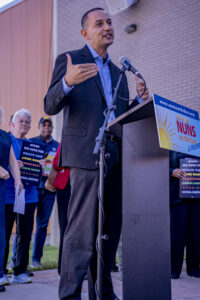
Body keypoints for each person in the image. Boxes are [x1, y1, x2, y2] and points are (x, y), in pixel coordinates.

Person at [44, 7, 149, 300]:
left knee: (108, 231)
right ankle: (70, 295)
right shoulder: (70, 60)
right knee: (79, 234)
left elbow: (120, 119)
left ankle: (102, 292)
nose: (108, 27)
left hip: (114, 161)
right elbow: (49, 106)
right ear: (85, 33)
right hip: (84, 158)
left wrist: (139, 102)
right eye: (99, 23)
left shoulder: (118, 72)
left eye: (110, 22)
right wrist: (67, 83)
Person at [4, 109, 38, 284]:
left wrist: (38, 166)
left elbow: (40, 171)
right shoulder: (5, 141)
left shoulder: (33, 146)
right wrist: (12, 165)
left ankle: (19, 272)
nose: (24, 124)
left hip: (29, 196)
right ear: (12, 124)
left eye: (27, 122)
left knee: (25, 234)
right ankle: (2, 272)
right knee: (5, 233)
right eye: (21, 121)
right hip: (8, 195)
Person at [30, 117, 59, 268]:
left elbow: (62, 167)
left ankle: (36, 259)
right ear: (39, 126)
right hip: (32, 187)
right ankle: (17, 259)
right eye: (44, 125)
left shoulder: (57, 146)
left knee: (42, 225)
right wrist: (37, 163)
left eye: (49, 125)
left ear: (52, 128)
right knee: (25, 225)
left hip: (49, 189)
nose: (47, 128)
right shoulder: (31, 142)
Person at [0, 107, 23, 292]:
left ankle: (0, 274)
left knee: (0, 232)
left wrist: (18, 180)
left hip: (2, 189)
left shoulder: (5, 137)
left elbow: (12, 161)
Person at [170, 150, 200, 279]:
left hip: (197, 195)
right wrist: (172, 171)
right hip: (178, 195)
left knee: (196, 234)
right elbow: (159, 165)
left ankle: (193, 268)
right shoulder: (170, 142)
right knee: (177, 234)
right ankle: (173, 269)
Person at [45, 144, 71, 275]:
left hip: (83, 186)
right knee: (65, 228)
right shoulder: (66, 139)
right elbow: (56, 162)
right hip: (65, 188)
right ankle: (63, 269)